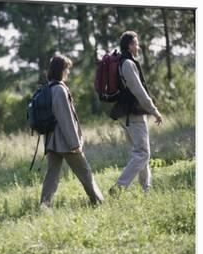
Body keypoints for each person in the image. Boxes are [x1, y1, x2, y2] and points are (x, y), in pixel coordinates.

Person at [40, 55, 104, 207]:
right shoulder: (60, 90)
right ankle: (99, 202)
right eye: (66, 68)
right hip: (65, 142)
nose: (68, 72)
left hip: (51, 141)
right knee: (85, 172)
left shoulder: (47, 88)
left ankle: (45, 205)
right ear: (60, 70)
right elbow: (65, 119)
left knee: (52, 175)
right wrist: (74, 143)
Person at [109, 31, 163, 194]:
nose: (138, 46)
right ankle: (118, 189)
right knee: (142, 153)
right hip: (133, 115)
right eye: (136, 43)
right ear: (130, 46)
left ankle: (146, 189)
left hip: (128, 114)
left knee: (140, 151)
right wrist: (154, 110)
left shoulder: (123, 62)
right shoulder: (127, 64)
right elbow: (139, 91)